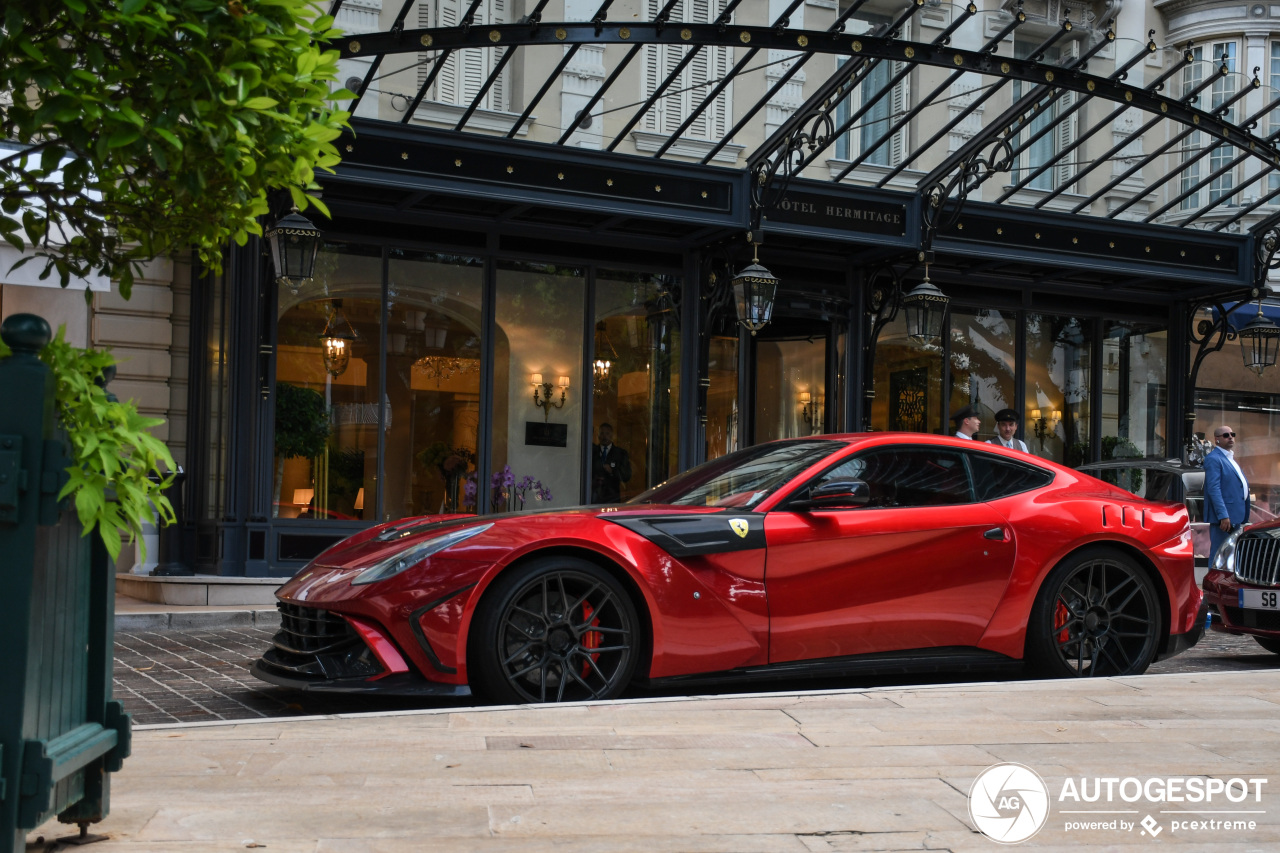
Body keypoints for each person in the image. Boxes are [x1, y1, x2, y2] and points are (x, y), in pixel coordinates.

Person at [1203, 424, 1250, 562]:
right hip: (1224, 519)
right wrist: (1223, 515)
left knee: (1232, 557)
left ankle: (1233, 584)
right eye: (1226, 435)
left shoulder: (1230, 458)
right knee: (1219, 554)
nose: (1230, 437)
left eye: (1232, 434)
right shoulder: (1213, 458)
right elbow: (1213, 488)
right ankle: (1213, 583)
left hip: (1236, 516)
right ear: (1216, 439)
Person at [591, 422, 632, 503]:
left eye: (607, 433)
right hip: (594, 497)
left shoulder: (620, 453)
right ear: (598, 436)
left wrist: (612, 471)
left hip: (612, 498)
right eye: (602, 433)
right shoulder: (592, 451)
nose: (604, 436)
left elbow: (626, 476)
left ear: (612, 435)